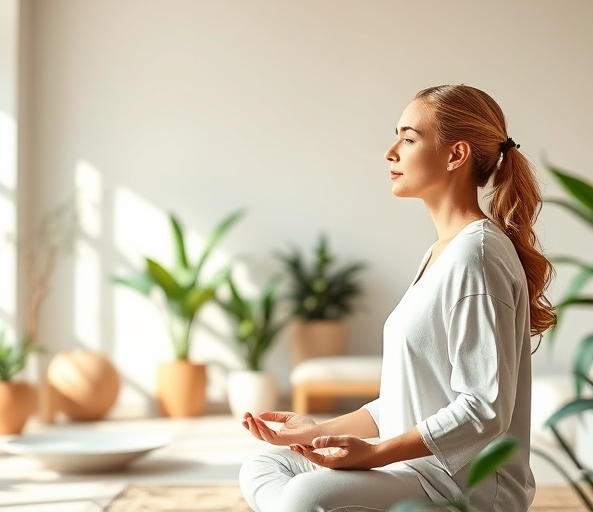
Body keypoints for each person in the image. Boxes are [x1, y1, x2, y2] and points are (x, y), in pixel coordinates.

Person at [238, 84, 556, 512]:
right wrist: (313, 433)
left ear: (455, 154)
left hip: (464, 487)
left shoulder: (477, 256)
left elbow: (483, 409)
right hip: (415, 468)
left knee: (303, 497)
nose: (391, 152)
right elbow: (412, 398)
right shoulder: (442, 251)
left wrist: (373, 454)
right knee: (265, 466)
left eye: (408, 138)